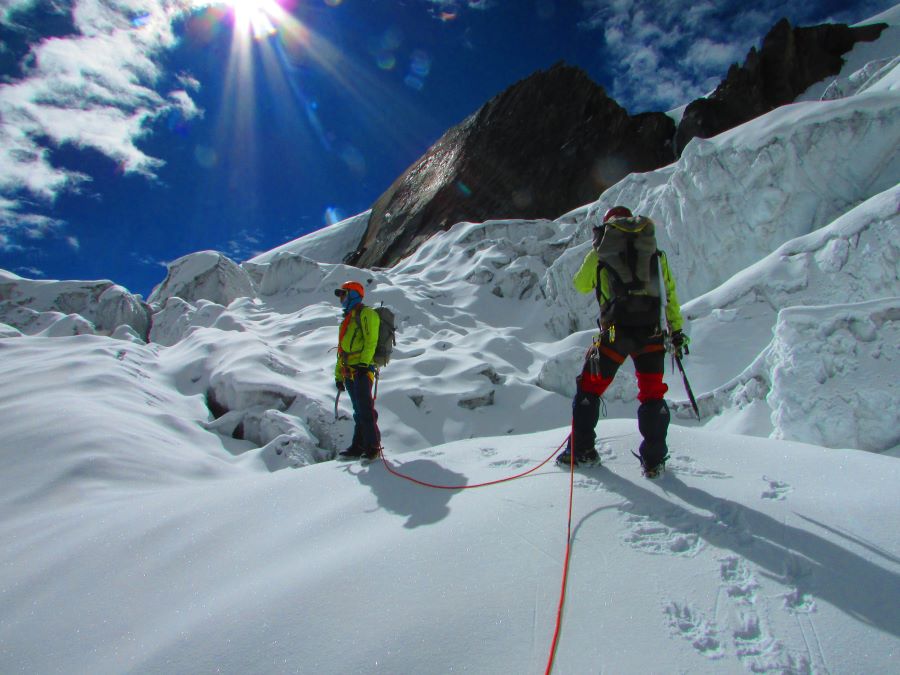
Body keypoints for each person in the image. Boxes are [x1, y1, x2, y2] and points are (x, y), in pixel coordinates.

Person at [557, 206, 688, 478]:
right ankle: (654, 461)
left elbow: (580, 284)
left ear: (608, 226)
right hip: (651, 332)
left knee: (589, 387)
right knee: (653, 394)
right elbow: (669, 293)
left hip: (615, 333)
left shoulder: (601, 250)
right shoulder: (653, 251)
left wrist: (600, 262)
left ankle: (581, 450)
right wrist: (675, 330)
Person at [334, 281, 382, 460]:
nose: (341, 298)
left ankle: (372, 446)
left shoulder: (367, 314)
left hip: (362, 369)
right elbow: (342, 351)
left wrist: (363, 364)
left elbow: (371, 341)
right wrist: (338, 375)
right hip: (349, 371)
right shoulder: (347, 320)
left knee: (365, 409)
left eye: (343, 294)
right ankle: (358, 446)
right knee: (358, 410)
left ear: (353, 294)